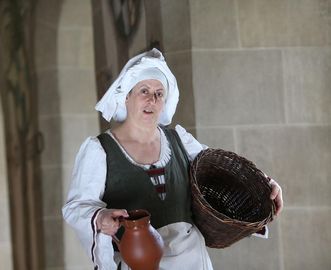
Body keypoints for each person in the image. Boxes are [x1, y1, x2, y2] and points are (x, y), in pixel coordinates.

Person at [62, 48, 283, 270]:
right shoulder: (100, 150)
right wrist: (100, 217)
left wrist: (265, 186)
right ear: (126, 96)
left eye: (159, 93)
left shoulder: (179, 140)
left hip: (193, 261)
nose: (152, 99)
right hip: (138, 263)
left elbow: (224, 177)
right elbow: (77, 206)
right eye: (144, 91)